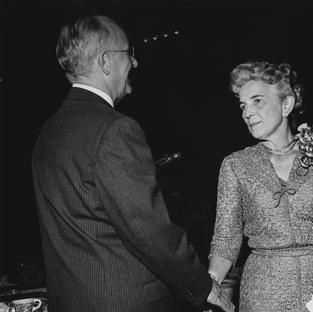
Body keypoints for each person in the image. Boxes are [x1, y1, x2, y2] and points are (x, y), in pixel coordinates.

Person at [31, 15, 234, 312]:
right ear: (105, 62)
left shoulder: (48, 133)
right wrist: (202, 286)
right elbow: (148, 230)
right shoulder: (114, 129)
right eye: (129, 53)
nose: (135, 63)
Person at [207, 61, 313, 312]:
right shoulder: (235, 165)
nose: (247, 112)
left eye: (257, 100)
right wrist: (211, 285)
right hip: (263, 294)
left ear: (286, 104)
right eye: (242, 105)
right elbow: (226, 239)